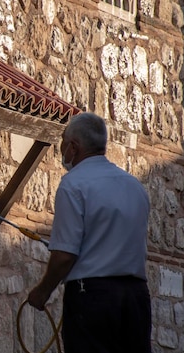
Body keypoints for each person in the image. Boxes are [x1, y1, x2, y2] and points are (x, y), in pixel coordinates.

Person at [27, 112, 151, 353]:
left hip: (93, 297)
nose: (61, 150)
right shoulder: (135, 186)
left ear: (73, 146)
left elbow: (64, 256)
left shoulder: (73, 184)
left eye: (63, 143)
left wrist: (42, 292)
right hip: (136, 298)